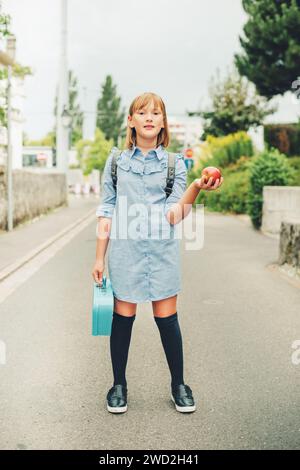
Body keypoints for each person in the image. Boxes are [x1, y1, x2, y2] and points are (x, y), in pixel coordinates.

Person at [92, 92, 223, 414]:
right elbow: (107, 210)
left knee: (167, 320)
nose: (149, 117)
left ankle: (179, 384)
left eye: (156, 113)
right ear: (131, 120)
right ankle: (118, 385)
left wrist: (195, 187)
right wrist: (99, 257)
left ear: (163, 122)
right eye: (142, 112)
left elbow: (174, 215)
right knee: (123, 318)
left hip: (162, 252)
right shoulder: (115, 163)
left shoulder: (174, 164)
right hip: (125, 251)